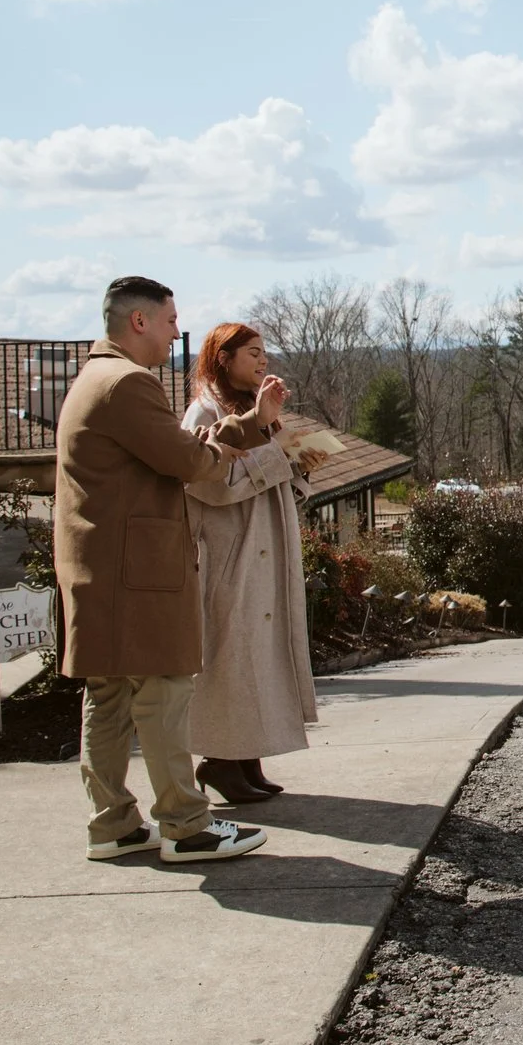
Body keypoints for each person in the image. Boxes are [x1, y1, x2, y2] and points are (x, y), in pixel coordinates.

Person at [58, 276, 283, 864]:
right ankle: (187, 826)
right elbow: (186, 459)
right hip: (139, 572)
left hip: (98, 568)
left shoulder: (92, 379)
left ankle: (113, 824)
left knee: (106, 698)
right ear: (139, 322)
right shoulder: (128, 384)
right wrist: (222, 450)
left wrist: (247, 426)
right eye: (168, 320)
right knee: (162, 692)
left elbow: (172, 450)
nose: (176, 331)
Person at [183, 322, 330, 806]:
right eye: (252, 353)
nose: (263, 361)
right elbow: (207, 482)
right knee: (232, 657)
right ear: (223, 358)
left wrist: (299, 463)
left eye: (265, 352)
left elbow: (273, 470)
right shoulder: (204, 410)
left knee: (260, 656)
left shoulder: (252, 409)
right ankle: (221, 762)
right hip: (230, 553)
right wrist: (276, 457)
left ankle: (248, 757)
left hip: (265, 549)